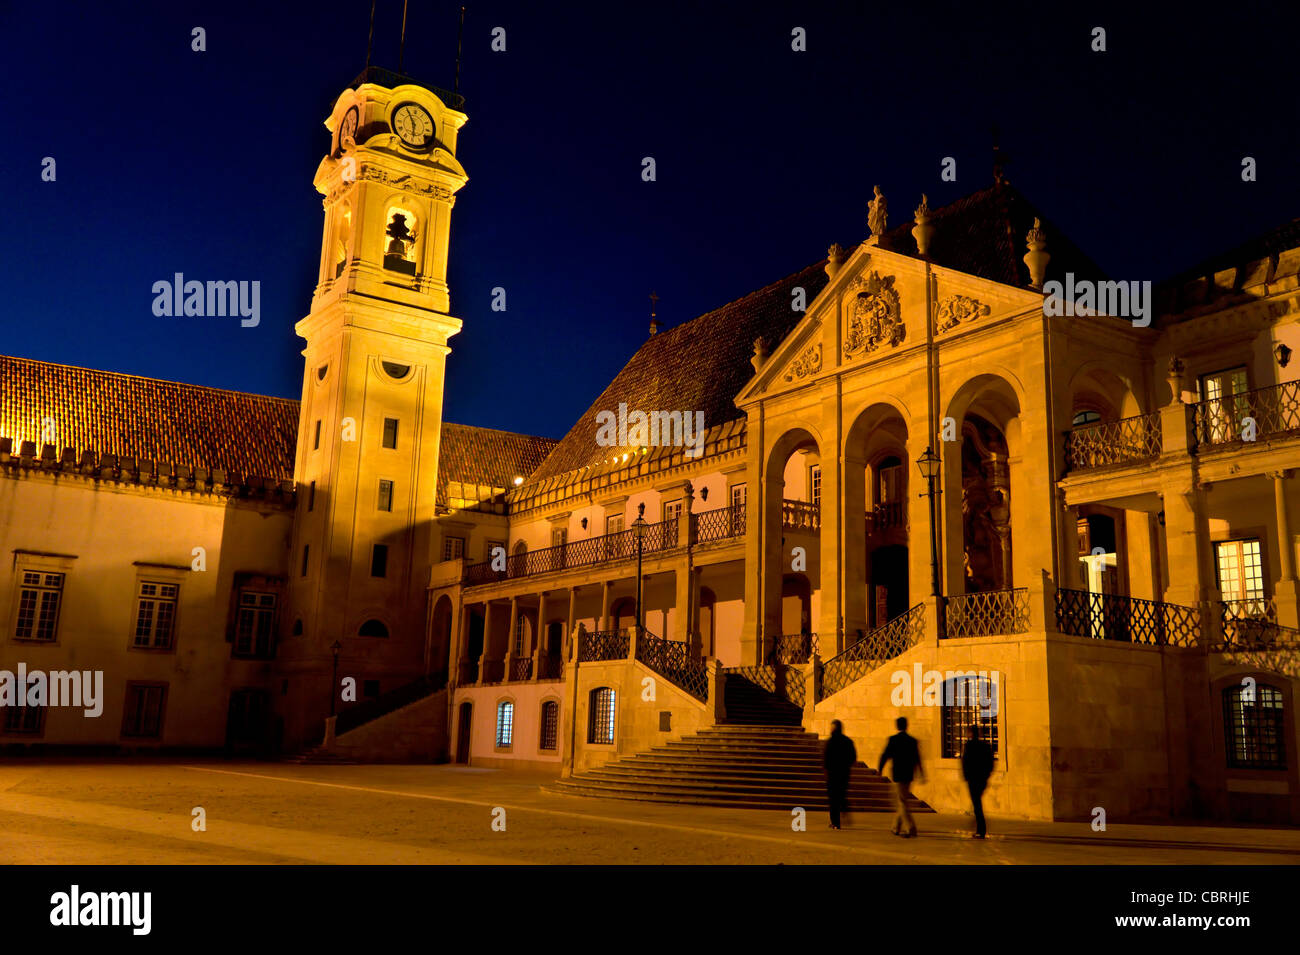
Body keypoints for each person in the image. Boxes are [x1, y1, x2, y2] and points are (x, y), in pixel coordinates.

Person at [878, 716, 923, 837]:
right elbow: (917, 758)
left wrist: (880, 769)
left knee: (902, 802)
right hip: (908, 774)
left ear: (897, 726)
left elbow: (885, 755)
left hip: (897, 774)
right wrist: (921, 772)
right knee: (902, 800)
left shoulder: (893, 740)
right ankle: (895, 827)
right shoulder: (912, 741)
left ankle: (911, 828)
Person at [822, 720, 857, 830]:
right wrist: (846, 765)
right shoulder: (847, 741)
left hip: (832, 774)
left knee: (833, 799)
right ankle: (844, 810)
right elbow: (853, 757)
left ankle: (835, 822)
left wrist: (827, 771)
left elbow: (826, 759)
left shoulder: (830, 742)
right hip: (844, 773)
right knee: (841, 795)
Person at [961, 724, 994, 839]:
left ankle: (981, 829)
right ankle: (980, 828)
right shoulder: (985, 745)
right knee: (977, 803)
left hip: (973, 778)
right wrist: (986, 775)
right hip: (982, 779)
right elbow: (990, 762)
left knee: (977, 804)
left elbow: (965, 762)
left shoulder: (969, 746)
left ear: (970, 733)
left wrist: (966, 776)